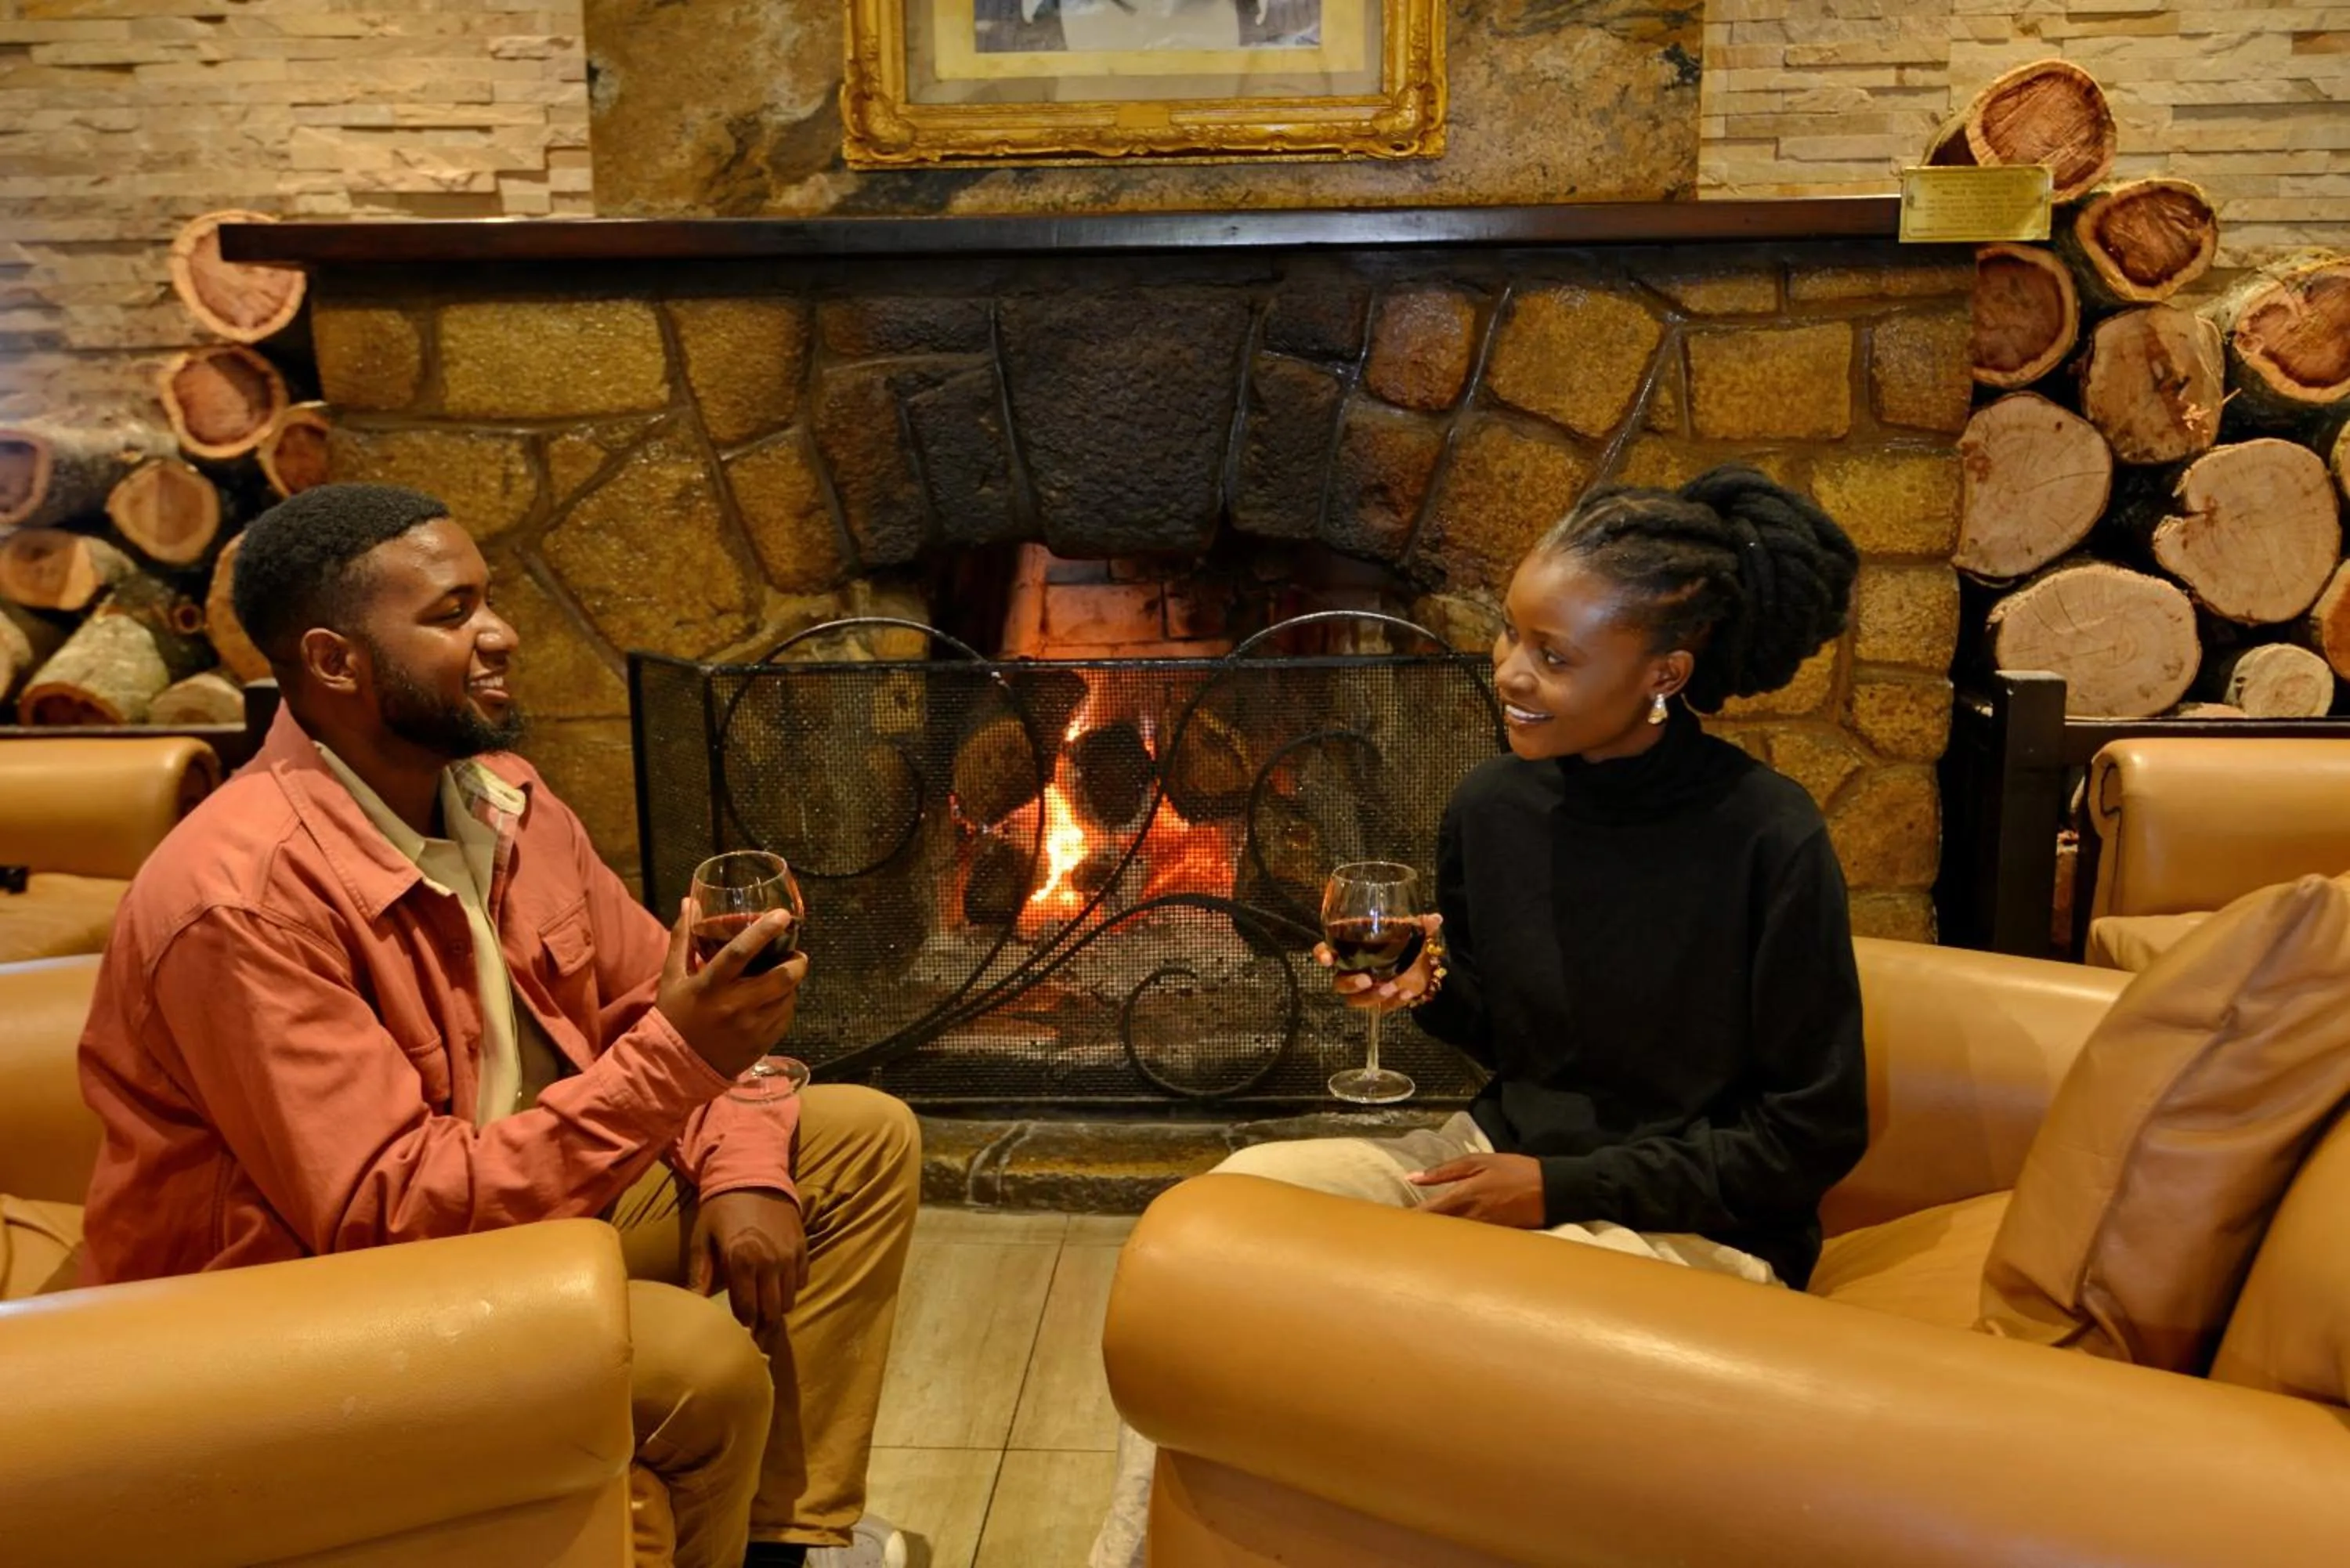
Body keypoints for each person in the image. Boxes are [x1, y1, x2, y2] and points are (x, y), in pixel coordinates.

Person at [77, 484, 916, 1568]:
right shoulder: (240, 899)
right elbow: (388, 1217)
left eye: (490, 598)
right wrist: (687, 1058)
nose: (501, 632)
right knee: (699, 1365)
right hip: (299, 1308)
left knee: (857, 1143)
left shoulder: (498, 798)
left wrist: (743, 1152)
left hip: (506, 1214)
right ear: (337, 663)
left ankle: (785, 1545)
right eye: (450, 612)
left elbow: (634, 1005)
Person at [1091, 464, 1871, 1566]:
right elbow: (1521, 1045)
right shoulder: (1493, 806)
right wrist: (1428, 992)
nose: (1510, 673)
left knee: (1449, 1341)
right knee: (1225, 1230)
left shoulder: (1770, 838)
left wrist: (1561, 1188)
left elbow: (1811, 1134)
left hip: (1688, 1234)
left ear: (1665, 672)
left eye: (1555, 656)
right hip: (1496, 1165)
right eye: (1512, 635)